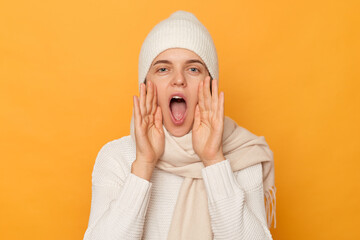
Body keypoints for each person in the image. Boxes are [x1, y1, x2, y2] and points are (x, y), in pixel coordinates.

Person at [83, 10, 276, 240]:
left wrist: (214, 160)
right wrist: (143, 165)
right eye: (163, 69)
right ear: (145, 86)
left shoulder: (243, 156)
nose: (179, 79)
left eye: (193, 69)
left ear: (211, 86)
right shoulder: (116, 157)